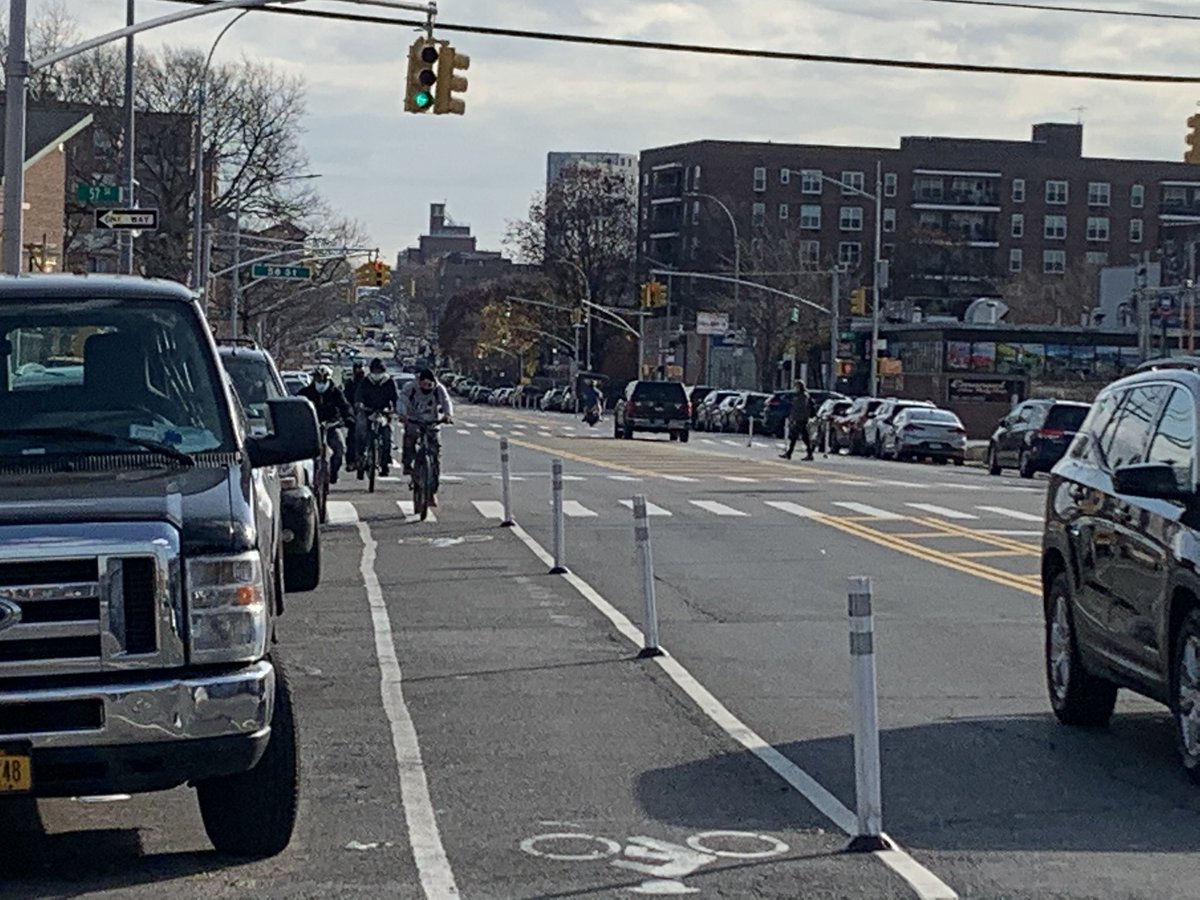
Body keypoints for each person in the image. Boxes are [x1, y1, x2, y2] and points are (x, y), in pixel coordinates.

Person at [399, 369, 454, 505]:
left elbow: (446, 401)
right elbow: (402, 400)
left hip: (432, 422)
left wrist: (447, 415)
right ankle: (407, 463)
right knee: (410, 438)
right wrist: (402, 414)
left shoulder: (438, 389)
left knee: (435, 455)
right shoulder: (410, 387)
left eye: (428, 386)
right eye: (423, 385)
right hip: (414, 420)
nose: (426, 388)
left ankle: (432, 492)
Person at [299, 365, 352, 483]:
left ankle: (333, 473)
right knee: (302, 451)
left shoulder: (336, 392)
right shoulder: (306, 392)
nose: (320, 382)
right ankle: (308, 476)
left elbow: (345, 406)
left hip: (331, 426)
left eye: (323, 379)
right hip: (312, 429)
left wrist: (348, 417)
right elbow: (297, 407)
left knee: (340, 448)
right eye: (317, 379)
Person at [354, 358, 399, 478]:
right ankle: (360, 458)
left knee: (387, 435)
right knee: (360, 430)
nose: (377, 373)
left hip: (383, 412)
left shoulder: (389, 382)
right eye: (375, 370)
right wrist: (359, 404)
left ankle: (385, 463)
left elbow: (395, 398)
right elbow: (358, 395)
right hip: (367, 411)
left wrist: (395, 409)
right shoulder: (365, 381)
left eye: (379, 370)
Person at [780, 382, 815, 461]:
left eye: (796, 386)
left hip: (800, 419)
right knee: (804, 437)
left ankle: (789, 453)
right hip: (800, 419)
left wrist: (795, 418)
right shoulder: (799, 396)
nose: (795, 388)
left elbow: (800, 409)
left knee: (794, 437)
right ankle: (809, 454)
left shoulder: (803, 396)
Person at [343, 360, 366, 463]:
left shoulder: (368, 383)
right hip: (353, 414)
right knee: (352, 436)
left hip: (367, 413)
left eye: (361, 368)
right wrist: (349, 410)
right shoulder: (350, 383)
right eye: (357, 368)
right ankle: (351, 461)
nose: (359, 371)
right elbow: (345, 399)